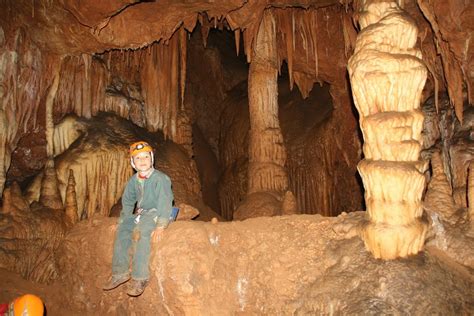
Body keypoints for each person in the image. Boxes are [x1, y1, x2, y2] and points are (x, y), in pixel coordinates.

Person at [103, 141, 174, 297]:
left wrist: (161, 225)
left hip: (158, 212)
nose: (142, 161)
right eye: (138, 158)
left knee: (141, 232)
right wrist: (122, 221)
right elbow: (128, 202)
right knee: (123, 230)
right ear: (132, 163)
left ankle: (140, 277)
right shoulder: (134, 181)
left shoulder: (160, 179)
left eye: (146, 157)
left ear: (152, 158)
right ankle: (120, 272)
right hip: (142, 213)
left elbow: (165, 201)